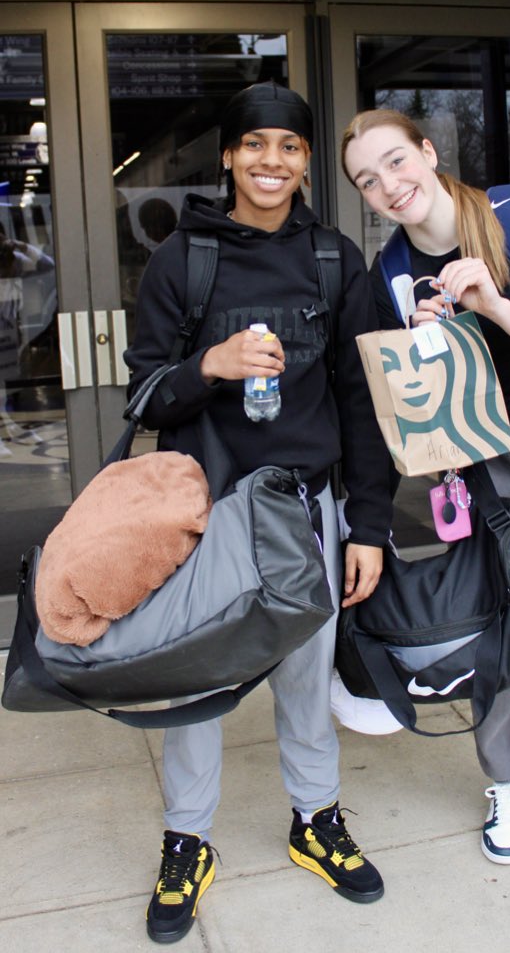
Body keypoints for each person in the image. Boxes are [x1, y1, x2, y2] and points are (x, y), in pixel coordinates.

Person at [125, 82, 392, 943]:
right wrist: (214, 363)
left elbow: (363, 400)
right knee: (197, 684)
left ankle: (315, 819)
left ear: (306, 162)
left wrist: (371, 525)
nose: (271, 161)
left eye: (290, 146)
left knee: (306, 682)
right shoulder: (182, 260)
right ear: (230, 157)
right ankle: (187, 838)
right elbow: (145, 398)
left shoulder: (334, 259)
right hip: (206, 516)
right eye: (256, 145)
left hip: (306, 512)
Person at [342, 108, 510, 872]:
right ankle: (504, 780)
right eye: (368, 179)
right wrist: (430, 345)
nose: (388, 185)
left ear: (428, 152)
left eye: (397, 162)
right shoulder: (390, 276)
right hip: (479, 465)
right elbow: (401, 409)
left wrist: (490, 305)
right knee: (494, 625)